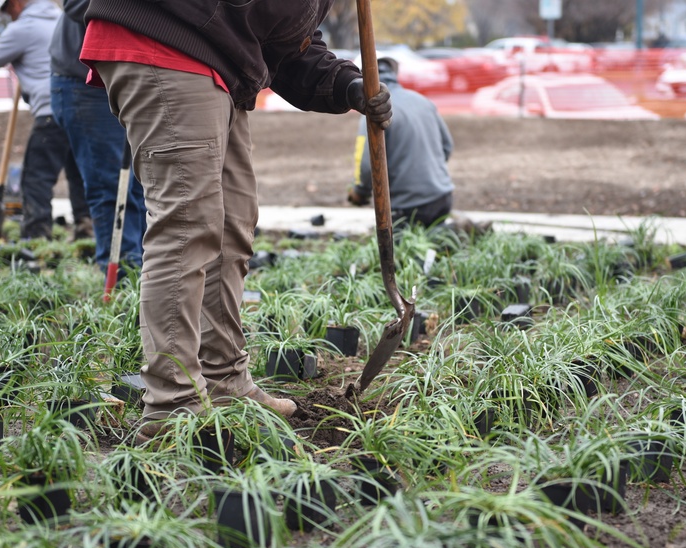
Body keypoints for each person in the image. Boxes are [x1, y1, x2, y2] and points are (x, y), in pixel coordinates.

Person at [78, 0, 392, 441]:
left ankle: (224, 380)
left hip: (216, 60)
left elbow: (287, 46)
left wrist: (347, 85)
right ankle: (172, 404)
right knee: (188, 224)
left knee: (232, 224)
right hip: (167, 35)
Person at [0, 0, 92, 241]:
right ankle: (86, 231)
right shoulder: (60, 18)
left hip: (50, 110)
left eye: (8, 10)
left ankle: (36, 239)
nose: (9, 16)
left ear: (17, 3)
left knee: (36, 177)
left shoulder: (23, 29)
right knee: (78, 172)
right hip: (79, 107)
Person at [50, 0, 146, 271]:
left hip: (121, 81)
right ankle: (121, 275)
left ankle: (139, 273)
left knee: (136, 185)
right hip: (85, 85)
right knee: (112, 186)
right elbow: (76, 6)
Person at [347, 57, 454, 230]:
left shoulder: (374, 113)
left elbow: (366, 166)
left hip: (407, 206)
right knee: (434, 249)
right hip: (442, 197)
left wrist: (359, 192)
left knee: (404, 255)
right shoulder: (423, 101)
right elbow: (447, 147)